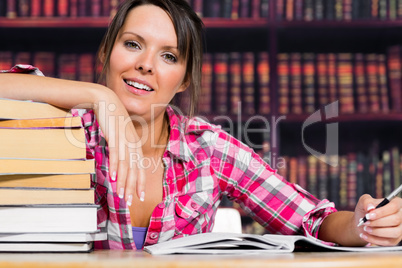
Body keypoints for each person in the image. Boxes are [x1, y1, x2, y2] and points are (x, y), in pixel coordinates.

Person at [1, 0, 401, 250]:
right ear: (107, 51)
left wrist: (362, 224)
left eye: (169, 56)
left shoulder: (208, 149)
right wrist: (100, 98)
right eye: (133, 44)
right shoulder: (65, 128)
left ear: (186, 79)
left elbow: (310, 220)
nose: (146, 64)